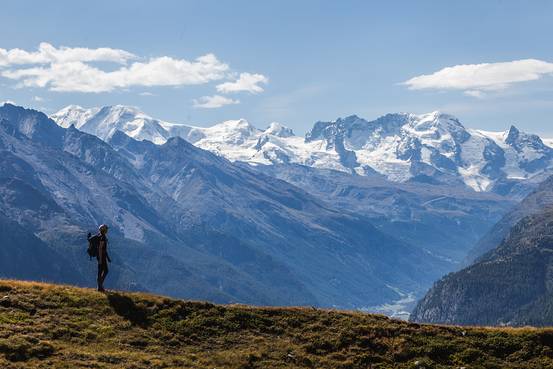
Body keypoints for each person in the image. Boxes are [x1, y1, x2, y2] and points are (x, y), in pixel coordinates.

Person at [96, 224, 111, 292]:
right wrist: (101, 259)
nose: (107, 230)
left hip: (101, 257)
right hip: (102, 257)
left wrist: (107, 258)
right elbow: (100, 248)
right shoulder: (102, 237)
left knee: (101, 271)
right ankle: (100, 286)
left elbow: (103, 249)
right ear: (104, 230)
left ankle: (100, 286)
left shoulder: (101, 236)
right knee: (104, 271)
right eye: (106, 229)